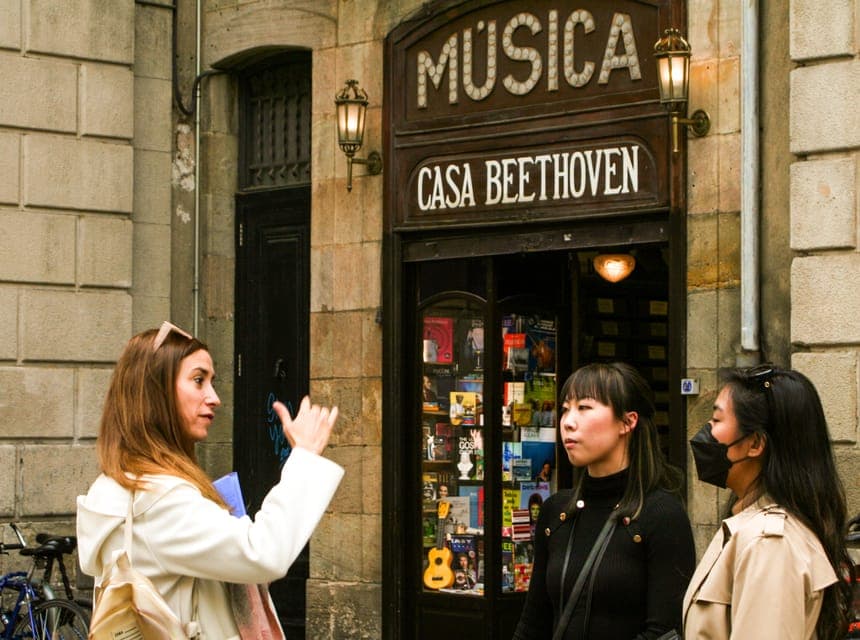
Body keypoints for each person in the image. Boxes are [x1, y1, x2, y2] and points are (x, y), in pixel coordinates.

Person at [77, 321, 344, 639]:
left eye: (211, 382)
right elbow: (263, 553)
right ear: (155, 389)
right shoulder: (158, 499)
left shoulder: (122, 486)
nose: (214, 397)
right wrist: (305, 457)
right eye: (198, 380)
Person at [513, 362, 694, 640]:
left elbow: (665, 631)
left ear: (627, 421)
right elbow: (533, 622)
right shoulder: (556, 511)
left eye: (584, 407)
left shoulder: (661, 514)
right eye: (565, 409)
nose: (568, 422)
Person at [683, 365, 854, 639]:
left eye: (716, 420)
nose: (707, 431)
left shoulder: (770, 544)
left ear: (755, 444)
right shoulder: (750, 527)